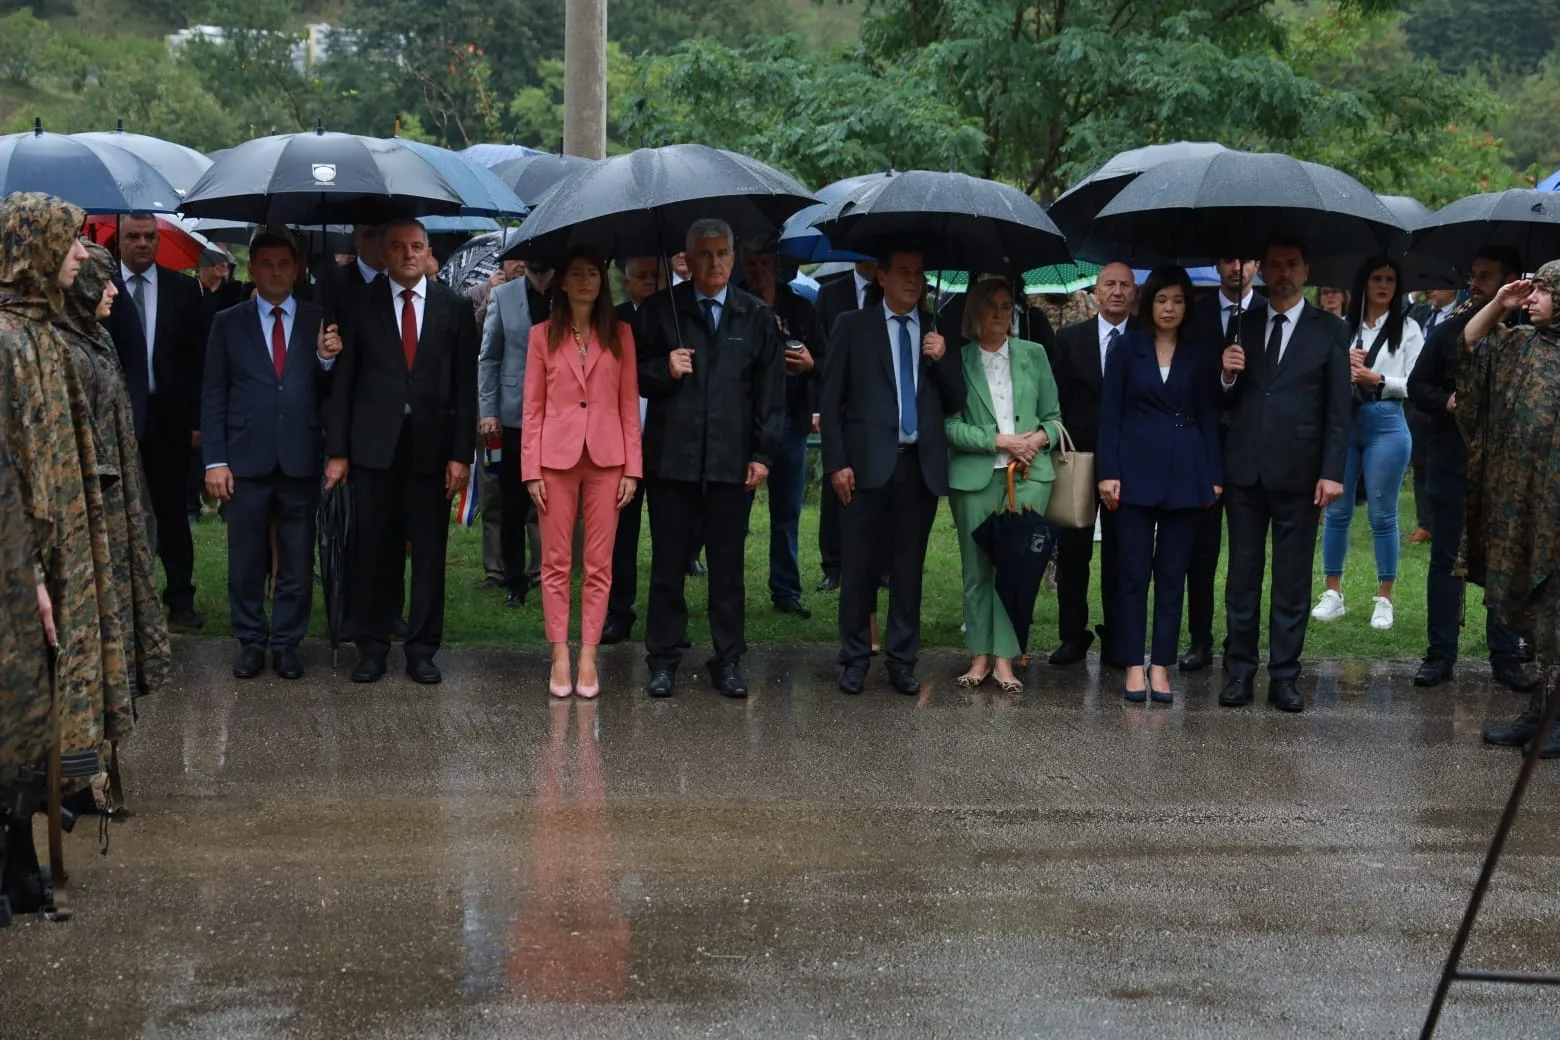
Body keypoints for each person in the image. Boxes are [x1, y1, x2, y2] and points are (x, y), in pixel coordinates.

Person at [0, 192, 136, 832]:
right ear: (35, 249)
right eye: (70, 241)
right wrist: (27, 572)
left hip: (67, 553)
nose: (81, 254)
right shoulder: (9, 345)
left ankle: (46, 813)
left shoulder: (44, 339)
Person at [326, 218, 479, 686]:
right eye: (398, 247)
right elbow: (344, 383)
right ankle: (372, 647)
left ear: (428, 252)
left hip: (432, 448)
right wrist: (338, 451)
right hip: (374, 448)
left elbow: (466, 387)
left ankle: (422, 650)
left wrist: (462, 454)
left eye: (416, 246)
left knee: (429, 553)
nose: (408, 254)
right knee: (373, 549)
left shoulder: (454, 308)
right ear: (384, 254)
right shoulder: (360, 304)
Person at [637, 219, 784, 699]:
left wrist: (762, 453)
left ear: (733, 258)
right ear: (688, 258)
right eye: (705, 254)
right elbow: (632, 375)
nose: (715, 263)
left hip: (731, 461)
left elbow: (770, 392)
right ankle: (662, 659)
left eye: (722, 253)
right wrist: (664, 368)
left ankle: (728, 659)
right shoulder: (661, 311)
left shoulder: (754, 315)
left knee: (727, 566)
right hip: (672, 460)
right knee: (668, 563)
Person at [820, 247, 966, 696]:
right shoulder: (853, 325)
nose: (913, 280)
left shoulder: (936, 331)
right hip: (864, 466)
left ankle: (902, 660)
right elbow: (831, 400)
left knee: (908, 569)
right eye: (903, 272)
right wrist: (837, 462)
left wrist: (943, 359)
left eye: (918, 272)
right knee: (859, 566)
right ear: (881, 277)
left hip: (918, 467)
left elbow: (957, 399)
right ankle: (855, 658)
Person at [1218, 238, 1351, 713]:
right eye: (1274, 266)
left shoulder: (1330, 329)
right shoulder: (1242, 322)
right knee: (1242, 577)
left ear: (1306, 270)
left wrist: (1332, 472)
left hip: (1301, 472)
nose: (1283, 274)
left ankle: (1284, 676)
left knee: (1292, 581)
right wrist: (1226, 375)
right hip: (1246, 470)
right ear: (1261, 271)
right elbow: (1224, 401)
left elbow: (1339, 407)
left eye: (1292, 265)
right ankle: (1238, 672)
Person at [202, 232, 339, 681]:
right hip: (245, 458)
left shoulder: (319, 319)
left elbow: (331, 391)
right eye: (267, 263)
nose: (276, 272)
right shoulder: (228, 322)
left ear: (297, 269)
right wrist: (215, 460)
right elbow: (214, 392)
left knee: (298, 559)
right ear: (252, 269)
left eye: (284, 264)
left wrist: (325, 360)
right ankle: (250, 641)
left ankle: (286, 644)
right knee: (246, 559)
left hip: (300, 455)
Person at [1407, 247, 1534, 693]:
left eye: (1486, 277)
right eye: (1473, 275)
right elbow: (1417, 386)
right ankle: (1440, 654)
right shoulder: (1449, 332)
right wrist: (1446, 401)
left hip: (1506, 469)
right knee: (1445, 559)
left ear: (1510, 280)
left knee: (1503, 560)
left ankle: (1506, 656)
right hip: (1451, 461)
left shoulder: (1530, 335)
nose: (1475, 284)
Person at [1097, 266, 1223, 703]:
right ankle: (1133, 663)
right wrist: (1107, 472)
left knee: (1172, 574)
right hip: (1133, 471)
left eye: (1178, 300)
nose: (1169, 308)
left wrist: (1214, 475)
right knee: (1132, 573)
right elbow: (1109, 414)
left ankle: (1161, 665)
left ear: (1188, 306)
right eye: (1162, 300)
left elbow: (1208, 416)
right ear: (1148, 303)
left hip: (1186, 472)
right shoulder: (1126, 347)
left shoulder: (1199, 351)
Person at [521, 247, 642, 699]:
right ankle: (559, 654)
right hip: (554, 461)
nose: (587, 280)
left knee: (599, 564)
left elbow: (629, 405)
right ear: (563, 283)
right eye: (577, 273)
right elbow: (532, 407)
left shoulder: (621, 334)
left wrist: (633, 468)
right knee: (554, 563)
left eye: (593, 273)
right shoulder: (541, 336)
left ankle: (588, 656)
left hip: (608, 461)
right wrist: (530, 468)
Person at [56, 243, 170, 703]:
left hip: (119, 490)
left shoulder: (98, 339)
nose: (113, 292)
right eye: (102, 282)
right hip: (90, 498)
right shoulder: (63, 348)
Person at [1456, 264, 1560, 756]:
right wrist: (1500, 302)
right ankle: (1541, 709)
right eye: (1532, 289)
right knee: (1533, 608)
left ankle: (1556, 715)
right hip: (1520, 506)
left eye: (1544, 291)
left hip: (1555, 509)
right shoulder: (1521, 345)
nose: (1533, 297)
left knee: (1556, 609)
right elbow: (1471, 342)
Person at [944, 277, 1063, 693]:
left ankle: (1005, 660)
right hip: (975, 479)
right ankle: (978, 657)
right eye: (990, 305)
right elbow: (950, 426)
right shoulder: (958, 360)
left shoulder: (1034, 354)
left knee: (1016, 571)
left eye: (1006, 305)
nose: (999, 313)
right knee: (977, 569)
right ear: (974, 312)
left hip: (1028, 477)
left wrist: (1034, 440)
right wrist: (998, 441)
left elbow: (1054, 418)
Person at [1311, 257, 1424, 632]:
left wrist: (1378, 380)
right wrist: (1341, 367)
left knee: (1382, 514)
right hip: (1345, 422)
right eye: (1377, 278)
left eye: (1390, 279)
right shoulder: (1342, 327)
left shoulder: (1408, 328)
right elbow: (1319, 378)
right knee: (1337, 511)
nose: (1384, 285)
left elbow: (1417, 383)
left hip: (1386, 421)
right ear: (1364, 283)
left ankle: (1385, 597)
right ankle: (1332, 592)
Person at [118, 212, 208, 629]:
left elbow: (198, 360)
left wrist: (197, 421)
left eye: (149, 236)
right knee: (123, 511)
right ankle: (128, 599)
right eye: (133, 236)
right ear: (119, 241)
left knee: (172, 509)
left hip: (169, 417)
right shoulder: (102, 289)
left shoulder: (183, 290)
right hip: (118, 416)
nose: (142, 243)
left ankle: (180, 598)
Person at [1047, 261, 1137, 666]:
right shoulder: (1069, 339)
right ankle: (1072, 635)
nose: (1117, 291)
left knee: (1123, 554)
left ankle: (1117, 636)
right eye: (1109, 284)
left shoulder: (1146, 339)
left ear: (1134, 292)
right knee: (1073, 553)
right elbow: (1057, 400)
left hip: (1130, 462)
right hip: (1078, 460)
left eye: (1124, 285)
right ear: (1096, 292)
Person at [1181, 258, 1257, 672]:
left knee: (1245, 553)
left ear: (1256, 265)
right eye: (1228, 260)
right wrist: (1221, 375)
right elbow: (1187, 375)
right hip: (1203, 443)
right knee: (1201, 550)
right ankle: (1200, 639)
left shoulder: (1267, 311)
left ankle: (1239, 640)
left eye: (1244, 261)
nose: (1236, 268)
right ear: (1217, 264)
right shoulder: (1197, 312)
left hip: (1251, 446)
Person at [740, 244, 823, 620]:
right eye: (751, 263)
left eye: (763, 263)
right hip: (746, 421)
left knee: (787, 510)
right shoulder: (736, 305)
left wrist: (810, 363)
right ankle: (730, 588)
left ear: (777, 267)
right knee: (735, 513)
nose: (757, 271)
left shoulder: (801, 308)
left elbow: (825, 358)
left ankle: (786, 590)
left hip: (791, 418)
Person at [478, 261, 552, 609]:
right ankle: (514, 579)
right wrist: (488, 410)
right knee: (513, 502)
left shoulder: (567, 292)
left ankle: (550, 573)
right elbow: (489, 357)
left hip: (561, 413)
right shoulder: (504, 296)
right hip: (514, 414)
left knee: (554, 501)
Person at [603, 256, 662, 645]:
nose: (649, 282)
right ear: (627, 282)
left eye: (655, 276)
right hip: (621, 441)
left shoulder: (676, 317)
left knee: (668, 535)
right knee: (621, 534)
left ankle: (665, 617)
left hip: (664, 439)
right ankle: (618, 611)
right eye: (641, 276)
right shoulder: (613, 320)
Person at [812, 260, 878, 592]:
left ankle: (880, 566)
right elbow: (819, 351)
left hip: (877, 406)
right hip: (839, 403)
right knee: (835, 486)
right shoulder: (830, 294)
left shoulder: (888, 294)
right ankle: (833, 566)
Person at [1403, 287, 1460, 545]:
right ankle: (1426, 523)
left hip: (1448, 402)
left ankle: (1451, 522)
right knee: (1420, 463)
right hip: (1419, 400)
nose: (1432, 289)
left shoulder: (1461, 316)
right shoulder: (1419, 314)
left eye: (1439, 285)